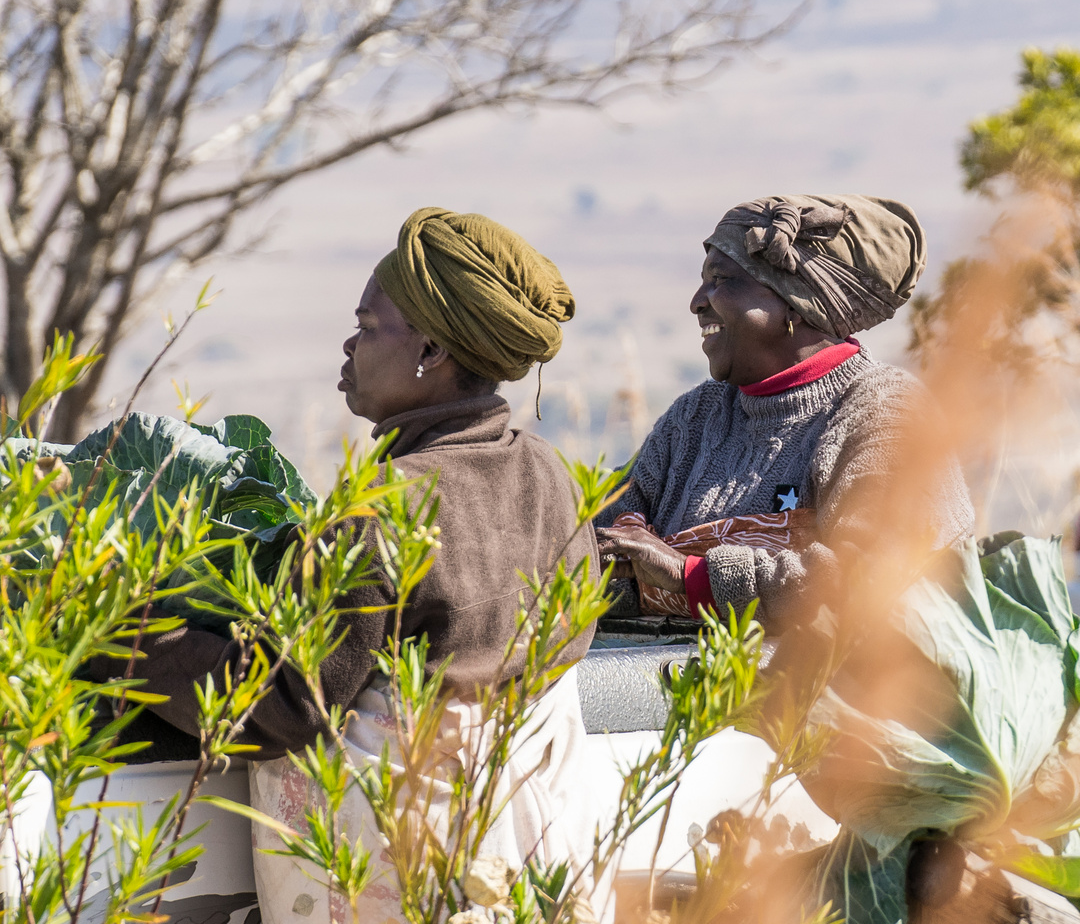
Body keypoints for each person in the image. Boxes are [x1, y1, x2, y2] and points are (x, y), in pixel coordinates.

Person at [92, 208, 603, 922]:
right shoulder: (552, 476)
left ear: (429, 349)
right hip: (535, 866)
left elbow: (283, 703)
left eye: (366, 328)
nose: (348, 346)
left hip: (403, 877)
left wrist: (117, 635)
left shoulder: (387, 507)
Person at [595, 193, 974, 632]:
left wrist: (686, 576)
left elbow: (866, 584)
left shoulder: (888, 416)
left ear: (795, 303)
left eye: (722, 280)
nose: (697, 301)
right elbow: (596, 538)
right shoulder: (697, 416)